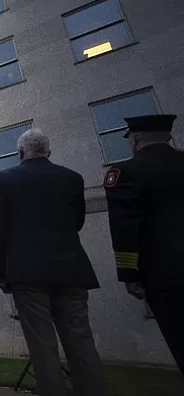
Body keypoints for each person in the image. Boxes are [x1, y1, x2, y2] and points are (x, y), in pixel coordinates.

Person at [0, 129, 106, 396]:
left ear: (20, 153)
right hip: (70, 270)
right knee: (81, 341)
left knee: (43, 347)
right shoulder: (72, 178)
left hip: (27, 274)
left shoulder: (4, 180)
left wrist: (0, 273)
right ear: (48, 152)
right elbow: (77, 222)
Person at [104, 114, 184, 375]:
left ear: (135, 140)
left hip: (167, 275)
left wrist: (129, 274)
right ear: (169, 137)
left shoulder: (126, 172)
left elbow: (125, 226)